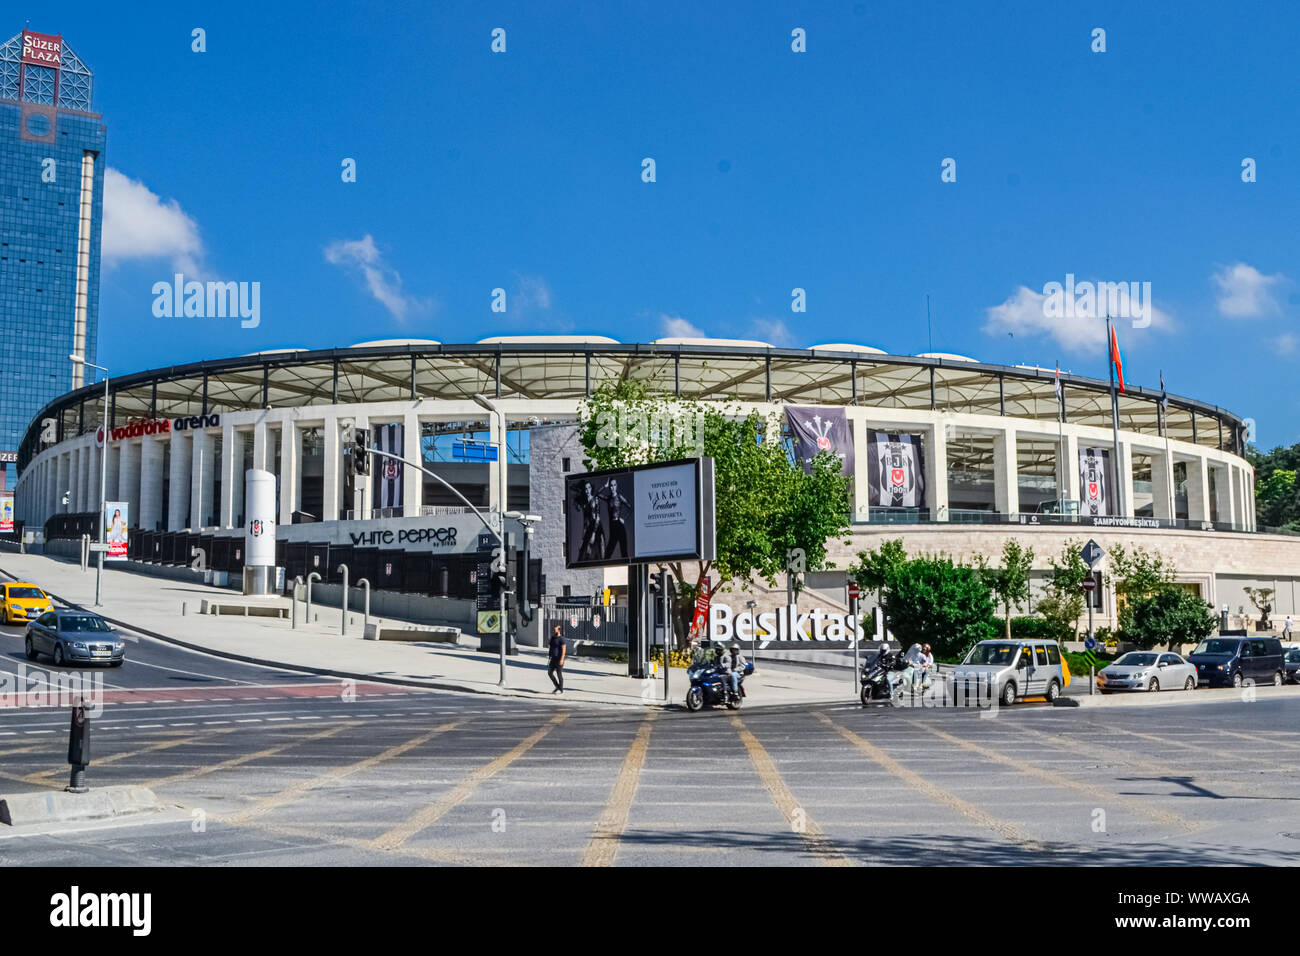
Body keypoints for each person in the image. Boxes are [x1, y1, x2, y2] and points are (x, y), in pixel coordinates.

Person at [547, 624, 567, 694]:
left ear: (559, 630)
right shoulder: (553, 638)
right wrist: (549, 657)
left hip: (559, 659)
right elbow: (551, 647)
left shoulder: (562, 639)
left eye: (555, 629)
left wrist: (562, 659)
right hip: (553, 659)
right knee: (549, 673)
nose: (554, 630)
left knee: (559, 674)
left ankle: (561, 689)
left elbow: (564, 650)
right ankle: (557, 686)